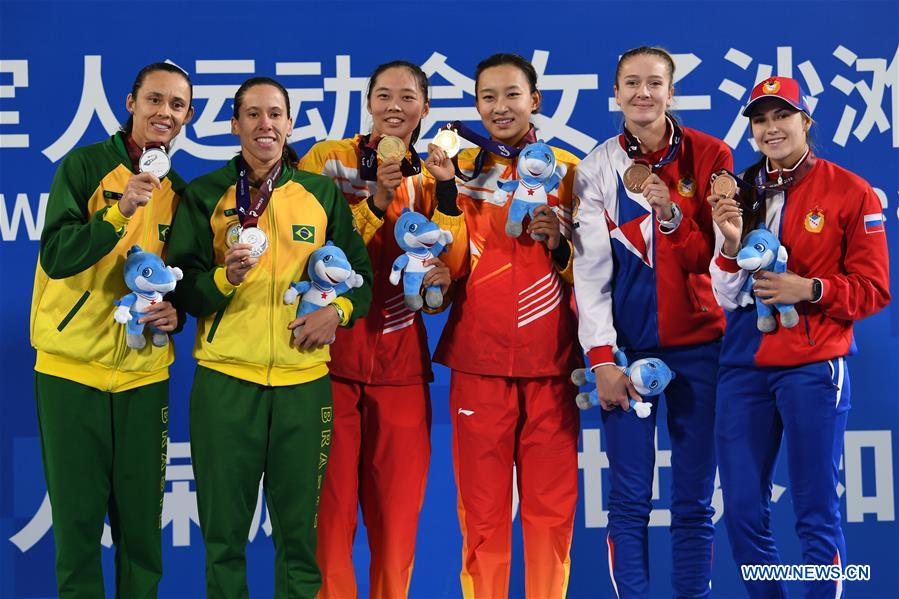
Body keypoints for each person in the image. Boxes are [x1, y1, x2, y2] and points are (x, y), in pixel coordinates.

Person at [167, 76, 372, 598]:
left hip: (303, 385)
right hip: (225, 384)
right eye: (253, 115)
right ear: (234, 125)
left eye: (275, 114)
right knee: (224, 538)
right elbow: (181, 288)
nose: (265, 125)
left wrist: (339, 312)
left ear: (288, 123)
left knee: (300, 539)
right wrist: (223, 279)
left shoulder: (319, 193)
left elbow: (362, 278)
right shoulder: (206, 193)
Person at [709, 76, 890, 598]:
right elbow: (724, 290)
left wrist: (807, 287)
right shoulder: (739, 188)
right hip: (743, 363)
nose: (771, 128)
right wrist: (726, 243)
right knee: (742, 512)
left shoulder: (848, 190)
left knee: (815, 511)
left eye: (781, 116)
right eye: (760, 120)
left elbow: (874, 289)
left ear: (805, 122)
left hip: (813, 364)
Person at [298, 60, 466, 599]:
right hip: (329, 365)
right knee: (330, 524)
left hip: (402, 371)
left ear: (425, 107)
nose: (396, 106)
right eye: (385, 95)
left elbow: (450, 266)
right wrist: (374, 198)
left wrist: (444, 271)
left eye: (409, 97)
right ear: (368, 102)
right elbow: (311, 251)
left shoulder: (436, 172)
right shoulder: (328, 160)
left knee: (396, 530)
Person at [573, 46, 732, 598]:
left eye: (655, 83)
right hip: (628, 355)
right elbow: (589, 274)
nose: (643, 93)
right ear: (614, 93)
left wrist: (669, 216)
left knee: (693, 499)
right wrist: (601, 360)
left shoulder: (712, 156)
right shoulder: (596, 168)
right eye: (631, 83)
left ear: (672, 92)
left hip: (702, 350)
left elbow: (718, 259)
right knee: (630, 498)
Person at [30, 61, 193, 597]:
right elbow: (56, 255)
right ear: (130, 103)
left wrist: (177, 313)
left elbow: (182, 281)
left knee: (142, 529)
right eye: (154, 100)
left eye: (176, 105)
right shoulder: (83, 167)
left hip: (144, 376)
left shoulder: (181, 192)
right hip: (70, 372)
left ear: (187, 116)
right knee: (77, 526)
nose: (163, 113)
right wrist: (119, 211)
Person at [432, 52, 580, 599]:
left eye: (511, 95)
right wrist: (446, 189)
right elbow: (439, 258)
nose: (499, 107)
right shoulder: (458, 169)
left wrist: (560, 242)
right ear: (475, 104)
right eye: (487, 97)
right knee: (485, 513)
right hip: (479, 361)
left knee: (550, 511)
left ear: (534, 101)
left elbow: (592, 267)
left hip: (553, 362)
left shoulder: (570, 169)